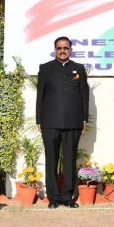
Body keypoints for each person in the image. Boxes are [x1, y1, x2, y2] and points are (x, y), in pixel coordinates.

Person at [36, 36, 89, 209]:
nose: (62, 50)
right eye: (59, 48)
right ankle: (53, 198)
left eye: (65, 48)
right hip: (50, 122)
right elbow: (40, 96)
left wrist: (84, 119)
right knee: (51, 160)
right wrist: (39, 120)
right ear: (55, 50)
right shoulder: (45, 68)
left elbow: (84, 95)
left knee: (70, 161)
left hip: (73, 122)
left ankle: (67, 197)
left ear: (70, 50)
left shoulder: (78, 69)